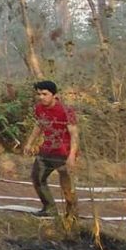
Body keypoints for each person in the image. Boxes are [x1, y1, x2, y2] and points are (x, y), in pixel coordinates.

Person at [23, 80, 79, 219]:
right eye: (39, 94)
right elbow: (39, 125)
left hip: (63, 152)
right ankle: (49, 208)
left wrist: (72, 155)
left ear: (54, 95)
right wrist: (29, 143)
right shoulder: (39, 108)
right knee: (37, 178)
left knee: (66, 184)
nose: (41, 97)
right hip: (47, 149)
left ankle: (71, 214)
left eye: (44, 94)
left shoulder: (66, 111)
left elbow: (74, 134)